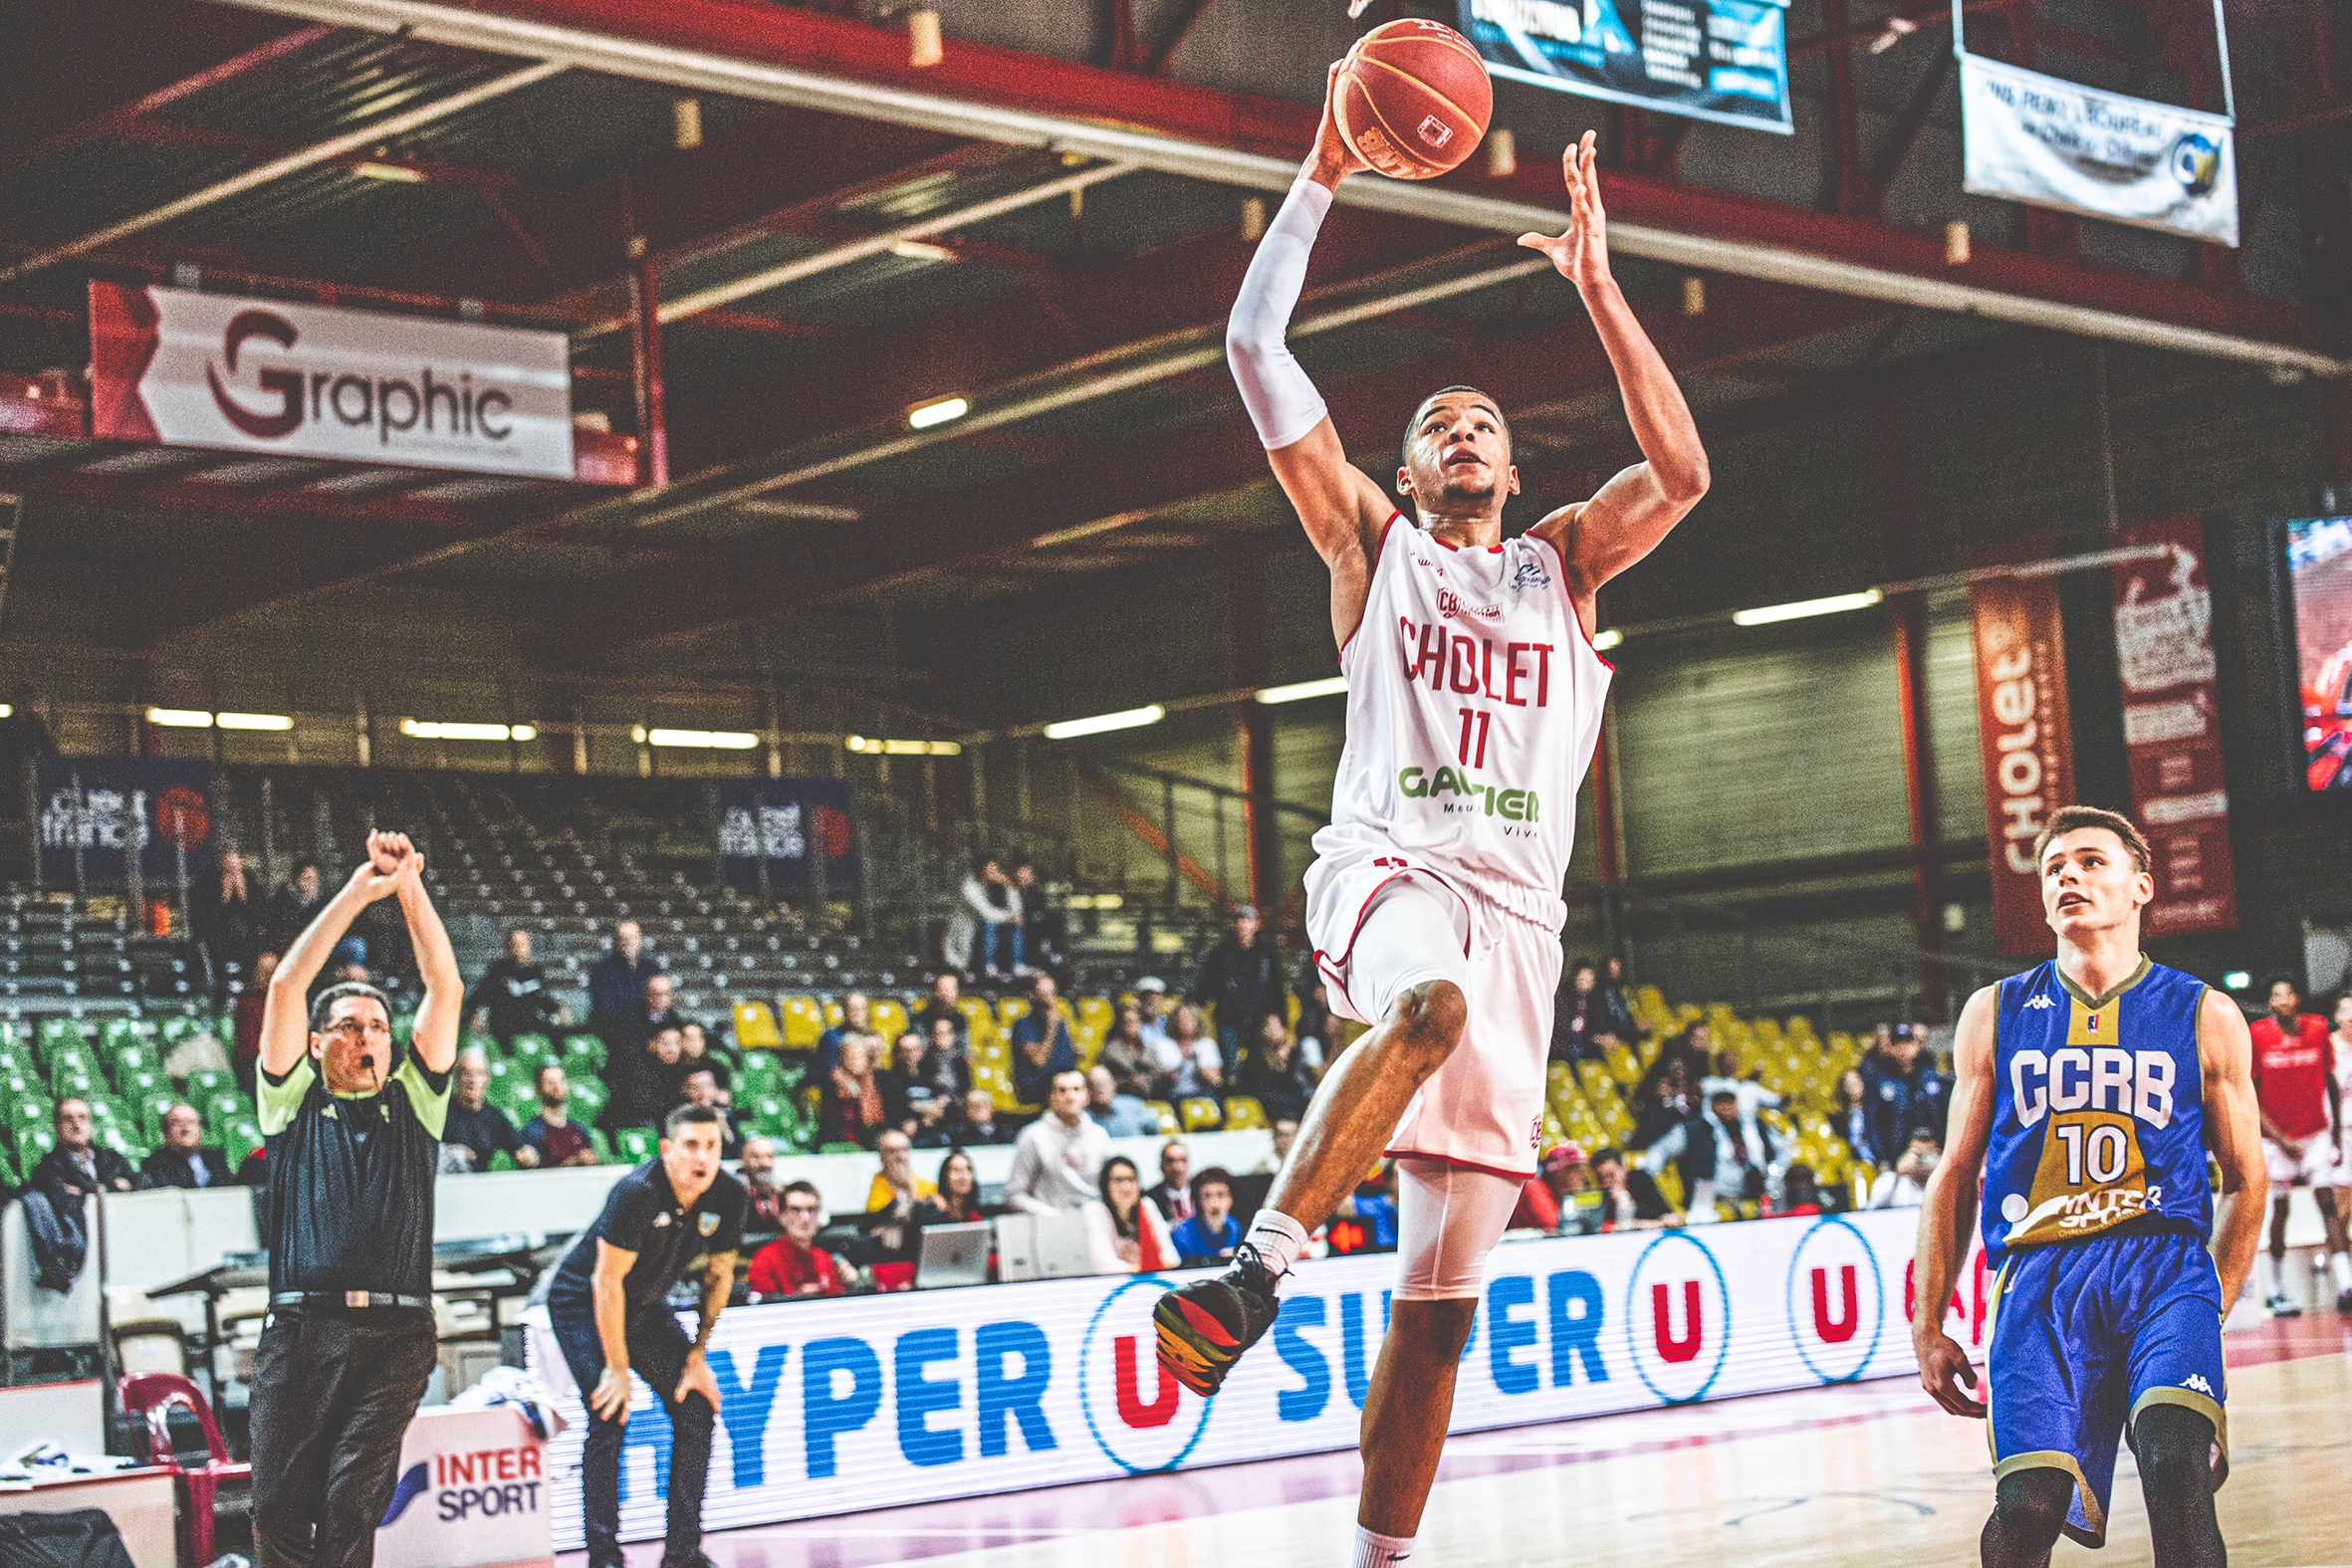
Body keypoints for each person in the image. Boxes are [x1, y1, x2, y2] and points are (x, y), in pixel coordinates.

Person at [1154, 129, 1707, 1568]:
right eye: (1437, 422)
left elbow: (1683, 467)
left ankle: (1377, 1555)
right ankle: (1252, 1268)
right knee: (1425, 1001)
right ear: (1403, 468)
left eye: (1483, 423)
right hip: (1389, 868)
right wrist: (1329, 158)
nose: (1462, 431)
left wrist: (1595, 282)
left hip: (1524, 920)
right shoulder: (1367, 543)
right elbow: (1249, 340)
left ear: (1515, 471)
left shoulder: (1565, 563)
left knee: (1438, 1308)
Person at [1913, 806, 2264, 1568]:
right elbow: (1954, 1175)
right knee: (2029, 1503)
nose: (2068, 874)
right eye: (2053, 867)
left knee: (2175, 1463)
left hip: (2164, 1267)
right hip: (2041, 1277)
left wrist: (2215, 1295)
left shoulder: (2205, 1014)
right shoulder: (1995, 1012)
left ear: (2142, 886)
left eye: (2089, 860)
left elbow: (2246, 1177)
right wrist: (1927, 1321)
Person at [248, 832, 462, 1568]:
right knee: (276, 1505)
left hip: (397, 1335)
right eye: (348, 1025)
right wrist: (361, 888)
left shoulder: (418, 1103)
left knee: (350, 1503)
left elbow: (446, 986)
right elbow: (285, 987)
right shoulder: (291, 1104)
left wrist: (409, 887)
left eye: (377, 1025)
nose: (367, 1036)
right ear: (316, 1045)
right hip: (303, 1326)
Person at [544, 1104, 744, 1568]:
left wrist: (697, 1355)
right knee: (610, 1412)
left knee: (696, 1405)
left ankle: (682, 1554)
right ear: (667, 1150)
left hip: (647, 1308)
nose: (703, 1157)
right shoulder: (637, 1192)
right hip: (582, 1304)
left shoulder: (730, 1195)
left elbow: (719, 1277)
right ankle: (604, 1555)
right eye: (691, 1145)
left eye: (712, 1146)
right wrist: (616, 1368)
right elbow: (605, 1283)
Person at [2248, 974, 2348, 1315]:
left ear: (2297, 1000)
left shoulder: (2318, 1029)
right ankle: (2276, 1290)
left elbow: (2331, 1083)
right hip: (2276, 1139)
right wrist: (2282, 1139)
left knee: (2327, 1203)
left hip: (2316, 1133)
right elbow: (2252, 1099)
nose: (2283, 1001)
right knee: (2281, 1210)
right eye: (2276, 997)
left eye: (2288, 995)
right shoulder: (2258, 1035)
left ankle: (2346, 1283)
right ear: (2269, 1005)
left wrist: (2334, 1137)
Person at [19, 1097, 144, 1289]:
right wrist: (114, 1185)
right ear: (57, 1127)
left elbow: (143, 1181)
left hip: (124, 1249)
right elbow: (66, 1195)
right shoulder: (48, 1166)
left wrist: (105, 1186)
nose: (76, 1124)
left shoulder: (110, 1158)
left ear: (90, 1124)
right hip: (86, 1264)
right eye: (68, 1119)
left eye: (82, 1118)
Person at [1191, 904, 1287, 1066]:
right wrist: (1195, 1006)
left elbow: (1277, 987)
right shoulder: (1220, 953)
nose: (1243, 924)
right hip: (1229, 1019)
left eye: (1248, 920)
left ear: (1256, 924)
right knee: (1230, 1066)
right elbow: (1206, 985)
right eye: (1239, 920)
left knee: (1260, 1065)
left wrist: (1279, 1018)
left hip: (1260, 1018)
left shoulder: (1267, 954)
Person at [1005, 1070, 1110, 1214]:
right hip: (1050, 1225)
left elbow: (1109, 1188)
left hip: (1094, 1221)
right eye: (1062, 1090)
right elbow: (1014, 1195)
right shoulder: (1033, 1136)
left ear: (1087, 1096)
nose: (1070, 1096)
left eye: (1076, 1089)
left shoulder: (1099, 1135)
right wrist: (1054, 1217)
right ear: (1051, 1098)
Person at [746, 1181, 845, 1300]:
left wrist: (849, 1282)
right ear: (781, 1216)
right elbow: (761, 1309)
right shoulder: (765, 1259)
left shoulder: (824, 1259)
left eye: (811, 1210)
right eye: (795, 1210)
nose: (805, 1218)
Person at [466, 928, 566, 1044]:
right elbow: (476, 999)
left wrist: (559, 1009)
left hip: (530, 1033)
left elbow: (545, 1001)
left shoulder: (535, 973)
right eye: (515, 944)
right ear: (507, 948)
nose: (519, 948)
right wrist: (474, 1017)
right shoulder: (498, 972)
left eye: (523, 944)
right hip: (504, 1035)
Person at [442, 1047, 533, 1172]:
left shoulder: (493, 1116)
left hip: (480, 1182)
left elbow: (518, 1146)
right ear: (456, 1077)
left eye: (478, 1073)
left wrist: (528, 1155)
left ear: (486, 1078)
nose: (472, 1080)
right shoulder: (442, 1112)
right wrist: (451, 1151)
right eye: (466, 1073)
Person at [1084, 1154, 1176, 1274]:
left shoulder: (1147, 1205)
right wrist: (1146, 1269)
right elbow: (1104, 1265)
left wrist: (1144, 1269)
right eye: (1119, 1180)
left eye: (1131, 1179)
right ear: (1105, 1185)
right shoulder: (1095, 1210)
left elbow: (1172, 1257)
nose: (1126, 1187)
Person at [194, 849, 263, 1000]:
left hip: (248, 940)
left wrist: (244, 897)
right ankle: (220, 996)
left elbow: (261, 917)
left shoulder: (251, 884)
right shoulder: (207, 886)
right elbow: (204, 922)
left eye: (237, 870)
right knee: (212, 952)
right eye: (229, 870)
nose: (233, 875)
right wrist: (223, 897)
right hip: (219, 941)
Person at [1235, 1015, 1318, 1125]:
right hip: (1265, 1098)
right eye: (1269, 1027)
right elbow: (1254, 1085)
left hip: (1290, 1098)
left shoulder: (1293, 1053)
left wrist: (1285, 1061)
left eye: (1277, 1026)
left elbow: (1296, 1083)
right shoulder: (1255, 1055)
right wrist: (1275, 1063)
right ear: (1262, 1031)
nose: (1273, 1031)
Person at [586, 920, 658, 1043]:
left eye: (632, 938)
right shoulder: (603, 970)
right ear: (616, 941)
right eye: (624, 938)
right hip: (616, 1034)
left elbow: (660, 1004)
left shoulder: (651, 968)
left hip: (650, 1031)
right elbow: (606, 1009)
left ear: (640, 940)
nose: (628, 942)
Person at [1011, 974, 1077, 1105]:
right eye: (1043, 994)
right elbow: (1039, 1060)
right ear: (1033, 996)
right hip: (1037, 1088)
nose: (1048, 1000)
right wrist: (1051, 1028)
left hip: (1063, 1080)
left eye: (1051, 994)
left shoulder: (1060, 1023)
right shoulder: (1023, 1025)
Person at [519, 1062, 597, 1169]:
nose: (557, 1086)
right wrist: (575, 1161)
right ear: (538, 1089)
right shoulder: (533, 1130)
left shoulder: (579, 1129)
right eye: (550, 1083)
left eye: (560, 1081)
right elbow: (538, 1172)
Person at [818, 1035, 890, 1149]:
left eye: (860, 1056)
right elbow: (830, 1125)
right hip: (842, 1146)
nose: (855, 1060)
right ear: (842, 1058)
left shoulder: (878, 1081)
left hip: (871, 1144)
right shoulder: (832, 1084)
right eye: (851, 1056)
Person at [143, 1103, 232, 1190]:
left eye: (191, 1122)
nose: (185, 1129)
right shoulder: (156, 1163)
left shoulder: (216, 1158)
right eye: (177, 1123)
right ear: (166, 1132)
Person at [1588, 1147, 1674, 1231]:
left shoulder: (1640, 1179)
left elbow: (1662, 1212)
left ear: (1624, 1169)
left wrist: (1628, 1202)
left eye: (1611, 1175)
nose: (1606, 1183)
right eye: (1600, 1178)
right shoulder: (1599, 1196)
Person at [1170, 1167, 1243, 1263]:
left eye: (1220, 1195)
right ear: (1198, 1201)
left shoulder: (1234, 1227)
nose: (1214, 1203)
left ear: (1231, 1199)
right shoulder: (1183, 1233)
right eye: (1207, 1196)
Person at [1510, 1144, 1587, 1233]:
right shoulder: (1535, 1190)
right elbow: (1553, 1224)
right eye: (1575, 1169)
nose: (1583, 1175)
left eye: (1583, 1169)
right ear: (1557, 1173)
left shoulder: (1564, 1193)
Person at [1154, 1005, 1224, 1099]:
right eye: (1181, 1019)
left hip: (1204, 1096)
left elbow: (1216, 1080)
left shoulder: (1207, 1044)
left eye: (1190, 1019)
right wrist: (1182, 1062)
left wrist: (1197, 1063)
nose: (1185, 1022)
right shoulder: (1165, 1045)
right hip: (1174, 1095)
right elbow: (1161, 1079)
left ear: (1197, 1021)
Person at [1013, 860, 1067, 978]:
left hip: (1032, 924)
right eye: (1022, 876)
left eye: (1028, 876)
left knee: (1055, 918)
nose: (1025, 879)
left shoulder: (1036, 893)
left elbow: (1039, 911)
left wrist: (1032, 918)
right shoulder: (1010, 892)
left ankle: (1056, 953)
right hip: (1016, 926)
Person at [1097, 1001, 1162, 1100]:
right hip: (1119, 1098)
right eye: (1126, 1021)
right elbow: (1102, 1079)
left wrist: (1144, 1081)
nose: (1130, 1025)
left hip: (1148, 1097)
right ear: (1120, 1024)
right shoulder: (1109, 1052)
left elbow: (1157, 1075)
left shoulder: (1150, 1051)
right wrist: (1126, 1083)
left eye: (1134, 1021)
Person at [865, 1128, 939, 1215]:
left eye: (904, 1150)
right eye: (892, 1151)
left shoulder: (928, 1187)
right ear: (881, 1156)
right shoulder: (877, 1190)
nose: (900, 1157)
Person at [676, 1066, 743, 1160]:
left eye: (708, 1086)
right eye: (696, 1088)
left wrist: (723, 1126)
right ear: (686, 1091)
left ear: (715, 1089)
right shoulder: (677, 1116)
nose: (703, 1093)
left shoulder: (725, 1113)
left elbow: (737, 1153)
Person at [817, 990, 883, 1078]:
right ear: (844, 1012)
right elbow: (831, 1072)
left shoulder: (872, 1037)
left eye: (862, 1009)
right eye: (853, 1009)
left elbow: (876, 1071)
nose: (857, 1014)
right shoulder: (831, 1037)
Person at [263, 860, 325, 953]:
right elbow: (276, 929)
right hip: (287, 946)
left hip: (316, 944)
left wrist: (313, 903)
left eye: (314, 880)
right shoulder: (281, 897)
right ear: (296, 879)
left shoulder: (321, 898)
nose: (311, 884)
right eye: (307, 879)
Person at [1867, 1130, 1940, 1210]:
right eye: (1919, 1155)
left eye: (1927, 1155)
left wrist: (1940, 1173)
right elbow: (1872, 1207)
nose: (1922, 1162)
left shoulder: (1941, 1182)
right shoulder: (1890, 1179)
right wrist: (1898, 1175)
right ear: (1908, 1152)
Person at [915, 1148, 986, 1228]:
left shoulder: (974, 1216)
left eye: (968, 1169)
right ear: (945, 1176)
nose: (964, 1176)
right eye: (956, 1170)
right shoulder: (931, 1210)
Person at [909, 974, 970, 1061]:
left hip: (953, 1068)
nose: (947, 994)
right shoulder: (920, 1019)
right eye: (943, 989)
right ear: (935, 992)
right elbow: (918, 1051)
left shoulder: (960, 1020)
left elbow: (965, 1052)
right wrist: (936, 1041)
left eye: (951, 989)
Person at [1086, 1064, 1158, 1138]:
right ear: (1087, 1089)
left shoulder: (1133, 1105)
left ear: (1113, 1085)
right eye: (1094, 1084)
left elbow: (1154, 1133)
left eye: (1104, 1083)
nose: (1100, 1089)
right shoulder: (1083, 1118)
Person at [737, 1136, 784, 1228]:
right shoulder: (732, 1195)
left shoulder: (783, 1194)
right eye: (755, 1157)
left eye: (769, 1156)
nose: (764, 1163)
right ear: (742, 1161)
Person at [1147, 1140, 1194, 1226]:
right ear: (1161, 1166)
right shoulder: (1150, 1199)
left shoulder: (1201, 1193)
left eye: (1183, 1160)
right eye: (1170, 1161)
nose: (1178, 1168)